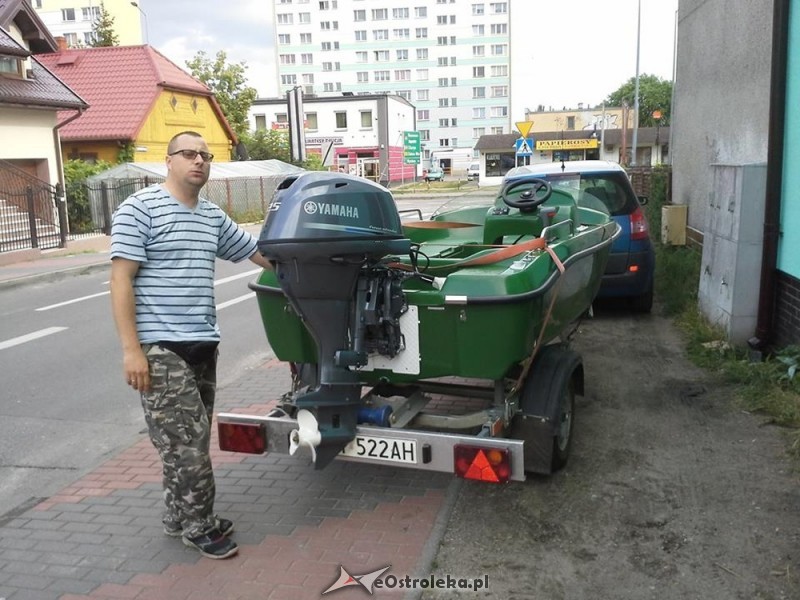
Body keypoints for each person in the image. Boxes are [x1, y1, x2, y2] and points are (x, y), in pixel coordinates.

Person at [109, 131, 272, 560]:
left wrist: (309, 262)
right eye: (188, 154)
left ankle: (178, 515)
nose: (198, 161)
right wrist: (132, 350)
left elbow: (257, 253)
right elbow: (120, 279)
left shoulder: (211, 215)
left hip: (204, 345)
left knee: (180, 444)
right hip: (161, 349)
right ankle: (200, 527)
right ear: (169, 160)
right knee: (190, 442)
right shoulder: (139, 209)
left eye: (205, 155)